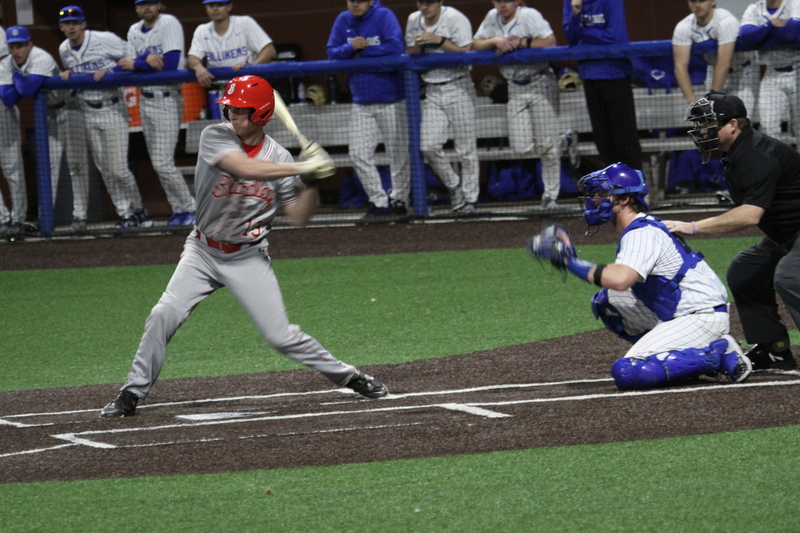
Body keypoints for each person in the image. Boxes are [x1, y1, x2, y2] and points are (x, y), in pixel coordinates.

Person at [99, 75, 388, 418]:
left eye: (239, 110)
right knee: (163, 314)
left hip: (248, 257)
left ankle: (349, 377)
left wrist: (311, 181)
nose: (231, 115)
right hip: (202, 252)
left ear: (261, 114)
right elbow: (243, 167)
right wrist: (301, 166)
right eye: (229, 108)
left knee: (281, 336)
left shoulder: (278, 156)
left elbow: (299, 217)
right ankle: (131, 393)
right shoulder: (215, 135)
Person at [528, 162, 752, 390]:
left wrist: (568, 261)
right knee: (608, 301)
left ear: (624, 199)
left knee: (629, 372)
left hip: (700, 316)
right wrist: (570, 260)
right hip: (681, 309)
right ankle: (678, 355)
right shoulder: (640, 227)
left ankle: (719, 355)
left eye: (602, 193)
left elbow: (620, 279)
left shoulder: (641, 233)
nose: (594, 199)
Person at [664, 92, 799, 370]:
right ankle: (774, 350)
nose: (702, 131)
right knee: (745, 270)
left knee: (790, 276)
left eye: (707, 124)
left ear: (733, 125)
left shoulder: (756, 155)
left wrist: (693, 227)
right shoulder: (737, 152)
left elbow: (750, 215)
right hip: (788, 235)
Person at [57, 5, 153, 229]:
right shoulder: (64, 50)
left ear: (83, 24)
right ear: (61, 27)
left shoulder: (104, 39)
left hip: (112, 108)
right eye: (67, 23)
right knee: (105, 170)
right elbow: (76, 72)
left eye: (75, 22)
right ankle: (125, 214)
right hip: (87, 111)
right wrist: (70, 74)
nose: (72, 27)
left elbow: (133, 57)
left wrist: (112, 72)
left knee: (118, 168)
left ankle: (139, 209)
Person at [473, 0, 565, 210]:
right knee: (520, 147)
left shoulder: (528, 15)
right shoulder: (491, 17)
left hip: (540, 81)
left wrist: (521, 43)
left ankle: (550, 196)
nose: (502, 5)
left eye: (506, 0)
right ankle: (565, 140)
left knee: (547, 147)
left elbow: (550, 41)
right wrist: (495, 41)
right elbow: (475, 44)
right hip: (514, 86)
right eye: (498, 1)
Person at [327, 0, 411, 224]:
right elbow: (331, 53)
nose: (355, 4)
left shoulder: (384, 16)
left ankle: (399, 202)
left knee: (398, 155)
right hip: (361, 100)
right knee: (358, 154)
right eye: (351, 0)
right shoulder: (343, 20)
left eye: (360, 0)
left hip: (392, 98)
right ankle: (379, 203)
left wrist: (362, 53)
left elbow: (396, 48)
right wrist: (350, 48)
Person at [0, 26, 89, 235]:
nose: (16, 51)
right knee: (48, 167)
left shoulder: (41, 57)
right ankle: (44, 218)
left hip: (71, 109)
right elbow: (8, 99)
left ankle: (80, 216)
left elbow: (27, 90)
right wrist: (22, 80)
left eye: (20, 46)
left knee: (77, 165)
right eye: (12, 47)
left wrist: (16, 78)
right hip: (48, 115)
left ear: (30, 45)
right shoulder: (5, 64)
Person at [121, 0, 197, 227]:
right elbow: (126, 65)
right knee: (158, 163)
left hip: (167, 99)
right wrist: (146, 61)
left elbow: (171, 65)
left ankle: (191, 207)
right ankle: (179, 210)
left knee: (162, 163)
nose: (147, 7)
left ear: (159, 6)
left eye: (151, 3)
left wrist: (138, 63)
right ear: (136, 8)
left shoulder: (169, 23)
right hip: (145, 101)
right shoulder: (134, 30)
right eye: (142, 4)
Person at [405, 0, 478, 215]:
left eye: (429, 2)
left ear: (439, 2)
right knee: (427, 146)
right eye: (421, 2)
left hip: (458, 85)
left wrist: (440, 40)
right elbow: (409, 52)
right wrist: (419, 45)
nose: (424, 7)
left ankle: (470, 199)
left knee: (466, 149)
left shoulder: (454, 18)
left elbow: (466, 53)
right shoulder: (413, 19)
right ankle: (454, 186)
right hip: (432, 88)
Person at [563, 0, 642, 170]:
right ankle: (614, 183)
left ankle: (636, 183)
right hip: (589, 75)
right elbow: (571, 37)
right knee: (603, 140)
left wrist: (583, 33)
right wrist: (575, 13)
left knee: (625, 139)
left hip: (616, 74)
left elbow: (615, 36)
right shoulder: (571, 2)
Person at [672, 0, 759, 113]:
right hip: (714, 71)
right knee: (714, 119)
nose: (697, 5)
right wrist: (693, 103)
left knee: (740, 117)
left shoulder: (726, 21)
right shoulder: (684, 26)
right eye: (693, 1)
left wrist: (712, 99)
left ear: (712, 2)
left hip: (743, 72)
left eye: (702, 0)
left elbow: (724, 63)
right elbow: (680, 67)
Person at [187, 0, 276, 104]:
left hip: (251, 87)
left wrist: (250, 67)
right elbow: (192, 57)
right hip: (224, 91)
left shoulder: (244, 23)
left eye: (220, 4)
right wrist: (198, 67)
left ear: (229, 7)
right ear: (206, 8)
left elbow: (269, 50)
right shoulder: (202, 31)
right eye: (211, 5)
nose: (215, 9)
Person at [738, 0, 800, 139]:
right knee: (767, 127)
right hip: (772, 73)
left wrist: (761, 35)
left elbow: (791, 32)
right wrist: (770, 24)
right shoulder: (754, 9)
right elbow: (745, 38)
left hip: (797, 71)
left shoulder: (795, 4)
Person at [0, 25, 29, 238]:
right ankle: (2, 219)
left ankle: (18, 218)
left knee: (12, 167)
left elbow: (7, 61)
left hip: (1, 106)